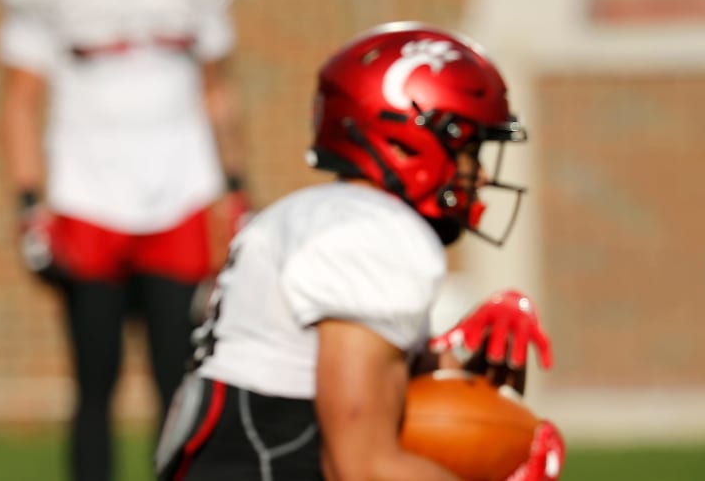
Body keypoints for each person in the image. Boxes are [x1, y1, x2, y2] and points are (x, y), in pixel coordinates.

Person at [154, 23, 566, 481]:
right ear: (411, 141)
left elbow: (305, 375)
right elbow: (362, 469)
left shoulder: (311, 215)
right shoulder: (376, 236)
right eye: (469, 150)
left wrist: (451, 358)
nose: (482, 177)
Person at [0, 0, 248, 479]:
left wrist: (236, 189)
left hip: (180, 192)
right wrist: (30, 202)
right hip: (89, 196)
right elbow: (22, 101)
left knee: (179, 378)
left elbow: (218, 89)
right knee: (95, 381)